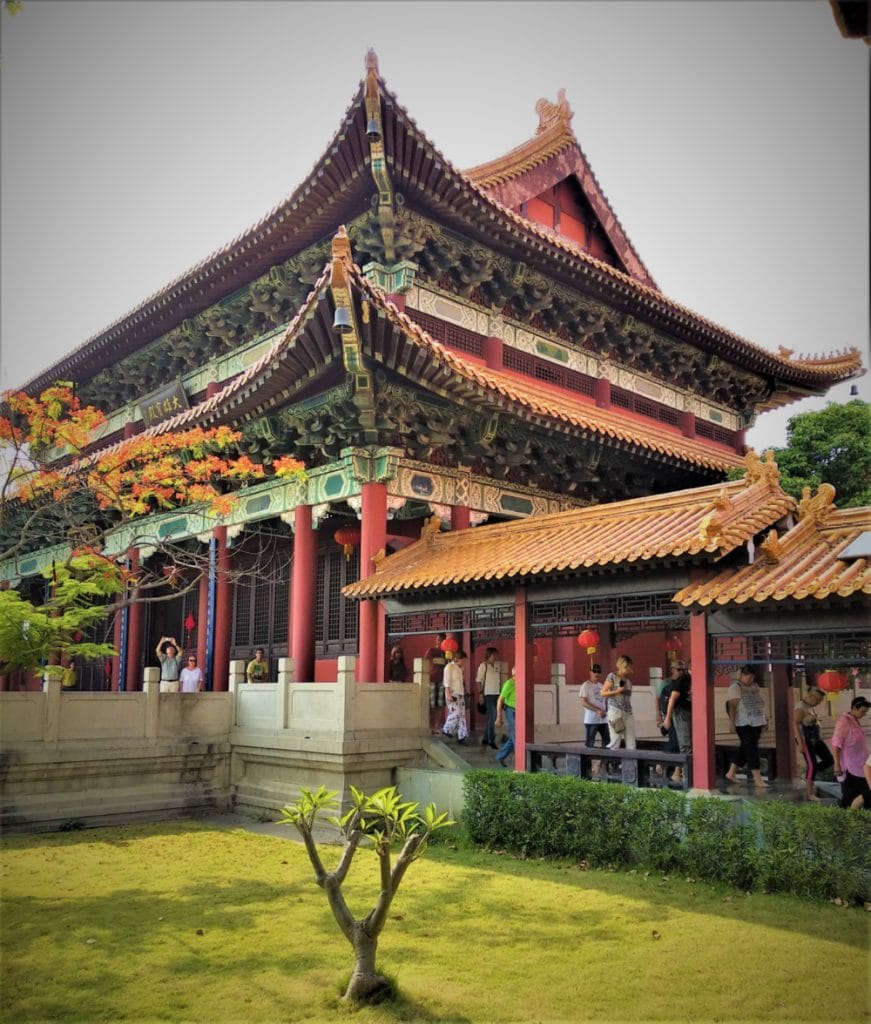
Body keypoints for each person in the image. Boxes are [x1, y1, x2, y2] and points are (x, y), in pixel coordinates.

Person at [724, 664, 769, 788]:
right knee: (752, 749)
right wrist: (732, 722)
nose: (750, 680)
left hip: (757, 720)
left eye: (752, 678)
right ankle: (757, 778)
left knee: (745, 747)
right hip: (743, 722)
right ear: (742, 675)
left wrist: (765, 719)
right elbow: (732, 706)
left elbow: (760, 702)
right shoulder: (735, 687)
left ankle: (731, 772)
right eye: (748, 678)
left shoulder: (755, 686)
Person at [792, 685, 834, 801]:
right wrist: (800, 744)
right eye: (818, 700)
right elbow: (795, 724)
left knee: (829, 760)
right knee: (812, 765)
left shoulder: (811, 706)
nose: (819, 703)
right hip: (806, 740)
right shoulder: (800, 707)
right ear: (811, 697)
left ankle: (808, 776)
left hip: (816, 739)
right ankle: (810, 793)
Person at [601, 654, 636, 784]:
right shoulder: (612, 676)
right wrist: (617, 691)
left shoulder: (628, 680)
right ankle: (611, 768)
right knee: (615, 740)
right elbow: (603, 693)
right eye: (627, 667)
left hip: (627, 712)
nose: (629, 670)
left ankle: (630, 769)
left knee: (631, 740)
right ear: (622, 666)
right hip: (615, 711)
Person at [831, 696, 870, 810]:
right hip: (850, 767)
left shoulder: (854, 720)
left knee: (864, 794)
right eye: (862, 711)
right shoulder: (843, 722)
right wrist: (837, 764)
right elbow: (836, 744)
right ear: (854, 708)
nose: (864, 714)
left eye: (866, 712)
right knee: (849, 796)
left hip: (861, 765)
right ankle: (843, 821)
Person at [662, 660, 692, 786]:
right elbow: (672, 699)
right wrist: (667, 718)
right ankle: (687, 777)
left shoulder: (694, 679)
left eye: (682, 669)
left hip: (689, 712)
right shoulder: (684, 679)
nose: (681, 671)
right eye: (678, 669)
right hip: (680, 712)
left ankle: (679, 773)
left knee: (686, 742)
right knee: (684, 744)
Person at [578, 663, 609, 777]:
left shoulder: (602, 686)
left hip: (604, 720)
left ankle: (601, 766)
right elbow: (583, 702)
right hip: (591, 720)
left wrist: (606, 711)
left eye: (599, 671)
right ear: (590, 672)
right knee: (590, 744)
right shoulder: (585, 685)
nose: (597, 673)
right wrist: (597, 710)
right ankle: (587, 770)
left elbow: (605, 701)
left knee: (608, 743)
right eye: (594, 671)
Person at [476, 646, 501, 750]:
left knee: (491, 717)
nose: (496, 656)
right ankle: (491, 740)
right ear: (490, 654)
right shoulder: (483, 666)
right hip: (488, 695)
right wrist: (480, 694)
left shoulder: (496, 666)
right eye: (495, 654)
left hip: (496, 694)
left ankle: (486, 738)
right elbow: (478, 681)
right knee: (493, 716)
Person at [442, 649, 469, 745]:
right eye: (463, 660)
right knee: (456, 712)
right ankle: (447, 729)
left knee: (462, 715)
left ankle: (462, 736)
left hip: (460, 693)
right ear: (458, 659)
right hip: (452, 693)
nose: (464, 662)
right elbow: (446, 682)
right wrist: (448, 694)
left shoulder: (460, 668)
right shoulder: (449, 667)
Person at [424, 632, 447, 734]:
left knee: (440, 705)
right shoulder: (431, 651)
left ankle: (437, 727)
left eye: (441, 640)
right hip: (432, 680)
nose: (439, 641)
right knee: (431, 705)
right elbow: (424, 662)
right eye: (438, 639)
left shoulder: (446, 653)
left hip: (443, 681)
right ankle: (430, 726)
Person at [495, 667, 516, 768]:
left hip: (519, 712)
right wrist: (499, 717)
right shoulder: (509, 684)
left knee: (514, 736)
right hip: (511, 711)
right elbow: (499, 700)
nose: (515, 678)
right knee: (516, 735)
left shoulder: (522, 682)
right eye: (514, 676)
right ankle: (521, 760)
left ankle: (500, 756)